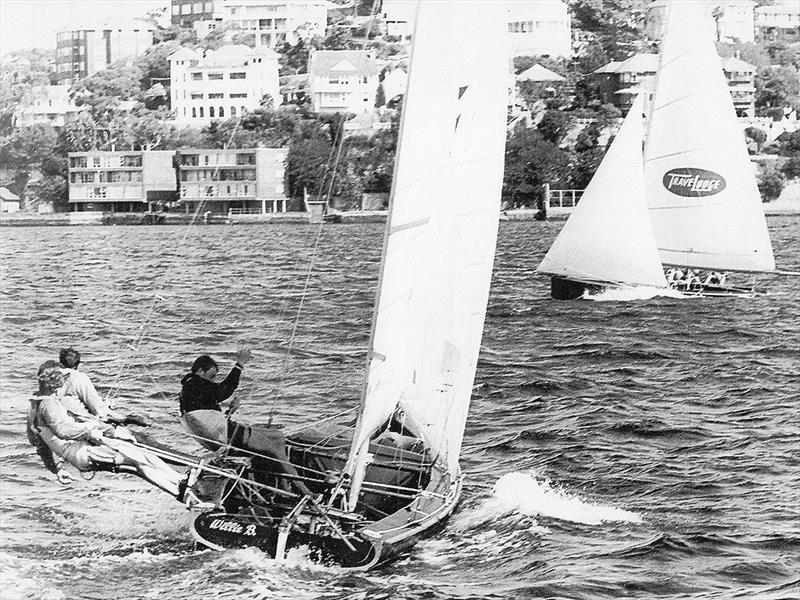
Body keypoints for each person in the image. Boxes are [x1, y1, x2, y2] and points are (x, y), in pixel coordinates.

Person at [28, 360, 182, 495]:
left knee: (140, 456)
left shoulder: (36, 405)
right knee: (137, 458)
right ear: (55, 382)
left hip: (82, 451)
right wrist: (88, 431)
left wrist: (58, 469)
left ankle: (180, 482)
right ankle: (180, 491)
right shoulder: (49, 404)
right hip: (82, 453)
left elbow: (39, 443)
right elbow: (62, 431)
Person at [179, 349, 313, 497]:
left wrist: (231, 411)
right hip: (226, 434)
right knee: (272, 449)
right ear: (199, 371)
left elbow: (211, 424)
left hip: (221, 434)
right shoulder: (193, 383)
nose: (212, 381)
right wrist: (240, 364)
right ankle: (305, 492)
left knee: (278, 437)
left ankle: (284, 490)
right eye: (211, 376)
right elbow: (223, 391)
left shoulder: (191, 390)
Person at [58, 347, 149, 427]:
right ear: (79, 365)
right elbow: (98, 409)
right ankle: (132, 420)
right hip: (77, 420)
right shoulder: (80, 378)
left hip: (61, 415)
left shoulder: (54, 374)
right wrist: (127, 418)